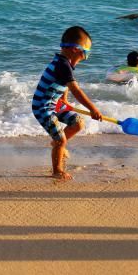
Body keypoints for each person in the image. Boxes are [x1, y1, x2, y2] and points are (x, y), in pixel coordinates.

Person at [31, 26, 102, 180]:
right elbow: (76, 90)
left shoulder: (64, 64)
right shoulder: (62, 65)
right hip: (43, 107)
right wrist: (93, 109)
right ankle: (57, 170)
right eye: (87, 53)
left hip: (54, 103)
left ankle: (56, 144)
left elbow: (64, 84)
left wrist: (64, 100)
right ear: (76, 50)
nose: (86, 58)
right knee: (60, 139)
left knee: (78, 123)